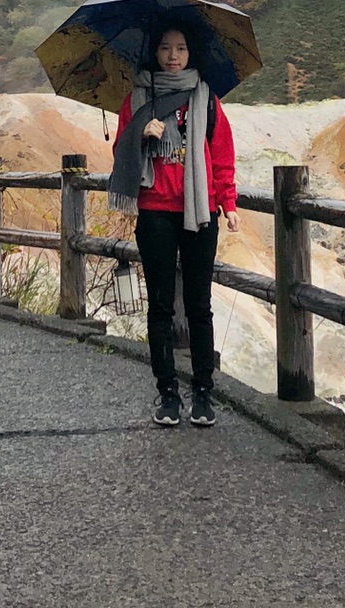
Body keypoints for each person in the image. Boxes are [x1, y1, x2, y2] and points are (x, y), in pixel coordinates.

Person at [107, 22, 239, 426]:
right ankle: (167, 394)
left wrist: (228, 203)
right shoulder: (138, 97)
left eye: (180, 48)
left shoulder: (205, 97)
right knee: (161, 304)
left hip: (199, 212)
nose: (173, 56)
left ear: (190, 53)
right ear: (155, 52)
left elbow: (221, 154)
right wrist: (139, 134)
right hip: (154, 210)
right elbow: (120, 151)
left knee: (199, 306)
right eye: (165, 48)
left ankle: (203, 393)